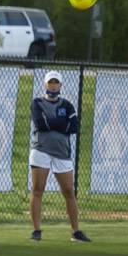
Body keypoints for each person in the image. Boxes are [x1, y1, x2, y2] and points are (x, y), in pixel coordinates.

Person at [29, 70, 90, 242]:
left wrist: (52, 122)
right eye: (50, 82)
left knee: (69, 191)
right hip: (41, 150)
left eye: (56, 82)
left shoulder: (67, 105)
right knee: (37, 189)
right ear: (45, 84)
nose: (53, 85)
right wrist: (61, 123)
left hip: (62, 153)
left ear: (60, 85)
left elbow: (73, 128)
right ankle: (36, 230)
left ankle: (76, 232)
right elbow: (41, 124)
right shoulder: (37, 103)